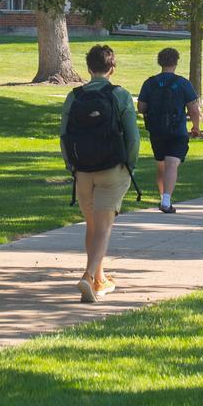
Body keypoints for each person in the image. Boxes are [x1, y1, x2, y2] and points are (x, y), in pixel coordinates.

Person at [60, 44, 139, 303]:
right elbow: (133, 136)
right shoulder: (120, 95)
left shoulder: (74, 97)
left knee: (92, 227)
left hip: (83, 171)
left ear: (89, 68)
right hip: (112, 170)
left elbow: (64, 135)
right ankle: (87, 274)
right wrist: (130, 164)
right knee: (104, 229)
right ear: (112, 68)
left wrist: (71, 165)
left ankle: (98, 280)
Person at [137, 48, 201, 214]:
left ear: (160, 62)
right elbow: (193, 109)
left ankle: (163, 197)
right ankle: (166, 200)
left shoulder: (149, 83)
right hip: (177, 130)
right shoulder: (182, 83)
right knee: (172, 164)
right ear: (176, 62)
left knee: (161, 166)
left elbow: (141, 107)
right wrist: (195, 126)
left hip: (156, 131)